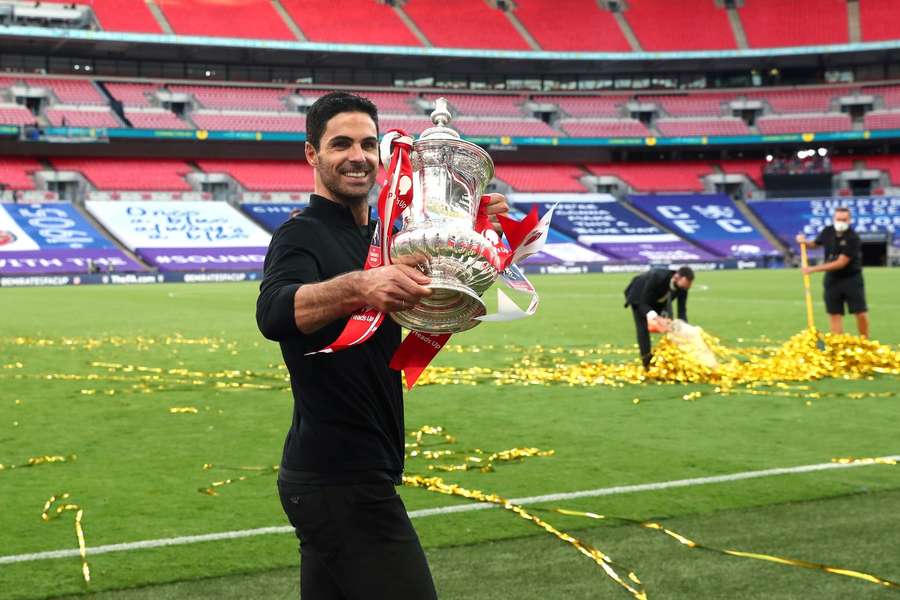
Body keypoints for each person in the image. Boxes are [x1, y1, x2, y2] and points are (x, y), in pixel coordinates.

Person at [256, 91, 507, 600]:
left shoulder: (387, 239)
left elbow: (430, 295)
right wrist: (360, 286)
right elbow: (274, 312)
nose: (358, 156)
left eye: (369, 144)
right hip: (339, 479)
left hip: (344, 472)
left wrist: (473, 231)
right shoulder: (298, 236)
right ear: (312, 155)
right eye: (340, 144)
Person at [796, 206, 869, 337]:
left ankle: (864, 340)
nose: (841, 222)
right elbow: (815, 244)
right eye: (838, 219)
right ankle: (837, 342)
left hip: (851, 278)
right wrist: (804, 242)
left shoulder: (853, 238)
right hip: (832, 280)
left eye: (844, 219)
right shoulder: (828, 231)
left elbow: (841, 263)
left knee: (860, 313)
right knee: (834, 313)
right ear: (834, 219)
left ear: (850, 220)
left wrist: (813, 269)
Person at [623, 266, 695, 369]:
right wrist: (658, 318)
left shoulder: (683, 287)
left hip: (660, 300)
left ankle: (672, 358)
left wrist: (685, 328)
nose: (686, 288)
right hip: (639, 296)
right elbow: (644, 303)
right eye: (686, 284)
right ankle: (647, 362)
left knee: (670, 326)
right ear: (677, 277)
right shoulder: (657, 277)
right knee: (642, 328)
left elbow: (682, 311)